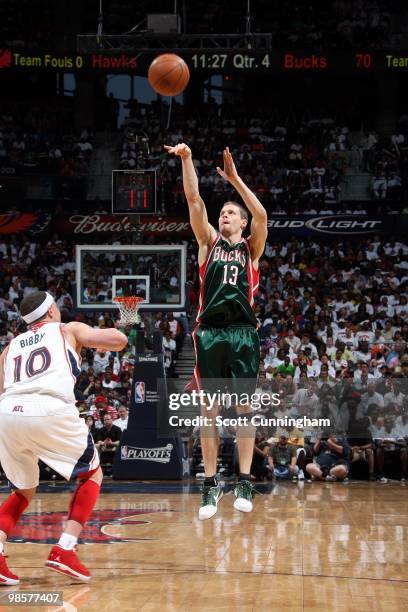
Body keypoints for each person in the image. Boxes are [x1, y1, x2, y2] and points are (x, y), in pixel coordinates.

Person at [165, 143, 267, 520]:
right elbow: (194, 200)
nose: (224, 215)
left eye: (230, 213)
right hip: (209, 333)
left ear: (241, 224)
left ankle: (243, 480)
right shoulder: (207, 244)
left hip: (242, 332)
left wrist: (236, 180)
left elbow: (262, 213)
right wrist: (187, 159)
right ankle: (210, 485)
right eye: (222, 212)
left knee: (244, 409)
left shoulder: (251, 250)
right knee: (209, 410)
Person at [0, 291, 127, 584]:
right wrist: (121, 329)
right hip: (49, 406)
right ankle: (65, 549)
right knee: (92, 475)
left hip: (8, 412)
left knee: (23, 490)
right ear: (53, 310)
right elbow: (118, 342)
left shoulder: (11, 346)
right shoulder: (67, 329)